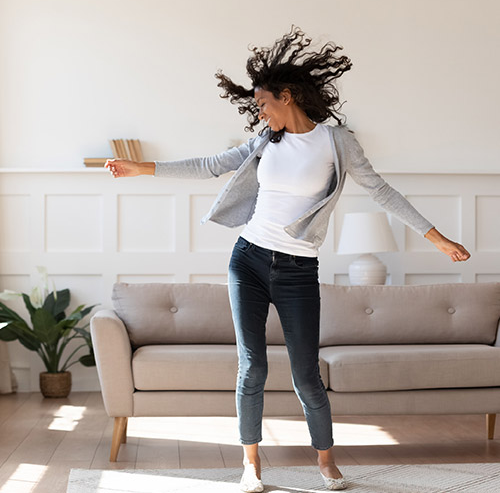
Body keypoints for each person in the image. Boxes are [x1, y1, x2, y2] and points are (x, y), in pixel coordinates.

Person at [105, 26, 470, 492]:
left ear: (288, 95)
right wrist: (143, 168)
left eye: (263, 103)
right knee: (252, 366)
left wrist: (435, 237)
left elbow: (380, 190)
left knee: (305, 374)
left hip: (298, 269)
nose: (259, 112)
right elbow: (211, 164)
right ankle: (251, 465)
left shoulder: (338, 142)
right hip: (249, 260)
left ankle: (326, 462)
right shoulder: (264, 140)